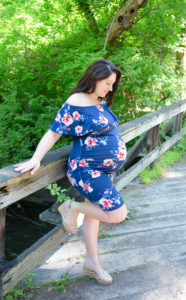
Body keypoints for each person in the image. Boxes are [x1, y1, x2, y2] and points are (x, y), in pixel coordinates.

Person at [14, 59, 128, 285]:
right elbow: (54, 132)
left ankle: (92, 264)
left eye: (112, 84)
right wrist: (36, 158)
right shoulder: (76, 101)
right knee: (117, 214)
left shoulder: (99, 100)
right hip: (86, 169)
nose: (110, 88)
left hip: (102, 170)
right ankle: (71, 206)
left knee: (94, 215)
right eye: (107, 83)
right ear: (94, 78)